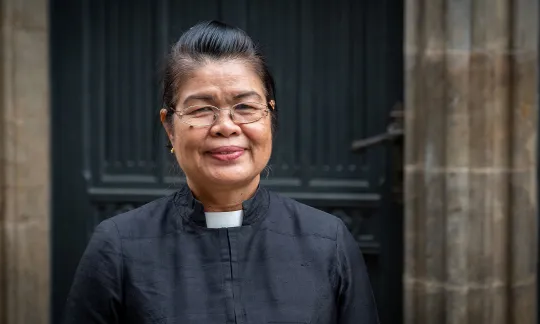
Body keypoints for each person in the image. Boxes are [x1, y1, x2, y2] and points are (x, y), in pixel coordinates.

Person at [62, 20, 379, 324]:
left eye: (245, 107)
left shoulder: (327, 241)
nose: (226, 126)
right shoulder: (118, 246)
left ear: (269, 117)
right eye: (201, 110)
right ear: (170, 129)